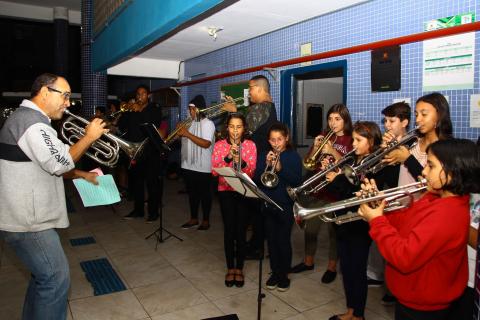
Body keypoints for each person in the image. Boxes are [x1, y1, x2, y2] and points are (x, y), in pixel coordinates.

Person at [0, 73, 107, 320]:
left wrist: (81, 173)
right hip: (29, 222)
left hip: (23, 217)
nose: (68, 103)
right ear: (45, 92)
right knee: (56, 280)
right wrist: (89, 137)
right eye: (65, 95)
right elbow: (59, 163)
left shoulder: (30, 120)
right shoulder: (33, 124)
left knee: (43, 279)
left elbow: (46, 165)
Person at [358, 138, 480, 320]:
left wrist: (377, 221)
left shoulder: (446, 214)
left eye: (430, 166)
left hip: (423, 308)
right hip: (412, 298)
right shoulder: (436, 198)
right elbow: (406, 221)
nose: (423, 171)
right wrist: (379, 209)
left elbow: (403, 256)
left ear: (452, 173)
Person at [325, 121, 383, 320]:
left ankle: (358, 314)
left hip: (359, 224)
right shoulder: (353, 161)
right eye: (353, 140)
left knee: (357, 270)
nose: (354, 144)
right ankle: (351, 310)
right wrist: (330, 177)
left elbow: (358, 190)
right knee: (347, 268)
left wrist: (338, 179)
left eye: (359, 140)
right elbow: (338, 191)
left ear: (372, 141)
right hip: (343, 221)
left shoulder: (376, 165)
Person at [291, 103, 353, 285]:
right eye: (330, 119)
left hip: (337, 193)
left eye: (337, 119)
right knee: (311, 229)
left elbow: (350, 167)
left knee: (334, 232)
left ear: (345, 120)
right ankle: (308, 261)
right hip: (319, 190)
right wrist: (315, 147)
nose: (333, 123)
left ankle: (332, 267)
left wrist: (333, 151)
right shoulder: (325, 137)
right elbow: (308, 163)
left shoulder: (350, 140)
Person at [223, 75, 278, 259]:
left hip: (259, 164)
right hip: (261, 162)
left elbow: (243, 131)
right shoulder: (265, 108)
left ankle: (257, 248)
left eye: (251, 88)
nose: (249, 93)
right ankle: (256, 244)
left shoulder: (261, 108)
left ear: (261, 89)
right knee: (256, 209)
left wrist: (233, 112)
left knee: (255, 210)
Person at [366, 101, 412, 305]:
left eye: (392, 121)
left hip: (405, 202)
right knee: (385, 242)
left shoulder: (412, 144)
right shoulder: (387, 143)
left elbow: (403, 176)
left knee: (400, 247)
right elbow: (380, 174)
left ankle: (396, 289)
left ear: (405, 122)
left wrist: (395, 154)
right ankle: (384, 279)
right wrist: (382, 153)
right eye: (385, 120)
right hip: (388, 199)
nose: (387, 125)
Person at [254, 122, 302, 291]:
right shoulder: (264, 155)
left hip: (285, 205)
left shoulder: (293, 156)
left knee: (283, 241)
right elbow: (256, 179)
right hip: (268, 203)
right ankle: (275, 272)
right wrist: (265, 165)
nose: (276, 143)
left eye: (279, 139)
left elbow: (297, 180)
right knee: (272, 241)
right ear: (268, 140)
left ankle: (284, 274)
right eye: (273, 140)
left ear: (286, 138)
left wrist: (280, 169)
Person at [211, 113, 256, 287]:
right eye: (232, 127)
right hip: (226, 191)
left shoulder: (250, 145)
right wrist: (229, 157)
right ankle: (230, 267)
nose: (235, 131)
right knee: (229, 230)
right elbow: (214, 172)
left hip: (244, 192)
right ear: (227, 128)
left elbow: (251, 172)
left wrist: (241, 161)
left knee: (241, 230)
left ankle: (240, 268)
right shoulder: (220, 145)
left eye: (239, 127)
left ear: (244, 128)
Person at [119, 85, 168, 223]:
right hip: (135, 151)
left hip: (151, 151)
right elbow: (123, 126)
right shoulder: (132, 109)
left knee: (152, 184)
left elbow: (153, 123)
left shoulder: (154, 108)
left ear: (148, 95)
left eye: (143, 93)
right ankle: (138, 210)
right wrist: (126, 111)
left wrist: (139, 110)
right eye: (138, 94)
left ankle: (153, 213)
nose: (140, 96)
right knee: (137, 183)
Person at [178, 95, 216, 230]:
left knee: (205, 195)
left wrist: (186, 134)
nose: (190, 112)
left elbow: (206, 144)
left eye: (192, 109)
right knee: (192, 194)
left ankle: (206, 220)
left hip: (203, 166)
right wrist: (179, 133)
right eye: (189, 109)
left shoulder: (208, 123)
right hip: (188, 164)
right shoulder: (189, 122)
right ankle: (193, 218)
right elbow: (183, 140)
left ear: (200, 109)